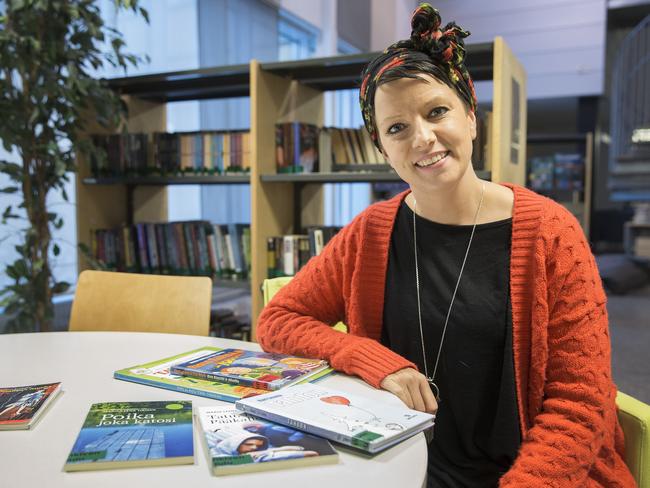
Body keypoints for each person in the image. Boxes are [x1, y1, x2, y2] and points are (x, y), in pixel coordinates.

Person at [257, 3, 635, 487]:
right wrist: (371, 360)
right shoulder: (370, 231)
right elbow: (280, 320)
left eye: (437, 112)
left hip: (531, 475)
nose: (423, 138)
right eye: (397, 128)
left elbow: (580, 404)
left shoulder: (550, 233)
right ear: (382, 148)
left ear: (472, 117)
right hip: (401, 466)